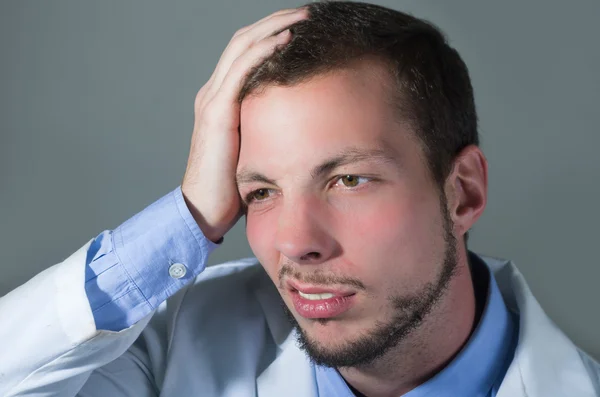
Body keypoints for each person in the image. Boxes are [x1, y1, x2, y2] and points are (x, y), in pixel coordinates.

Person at [1, 1, 598, 396]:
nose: (295, 243)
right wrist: (191, 217)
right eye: (261, 191)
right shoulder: (169, 350)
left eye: (347, 180)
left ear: (462, 194)